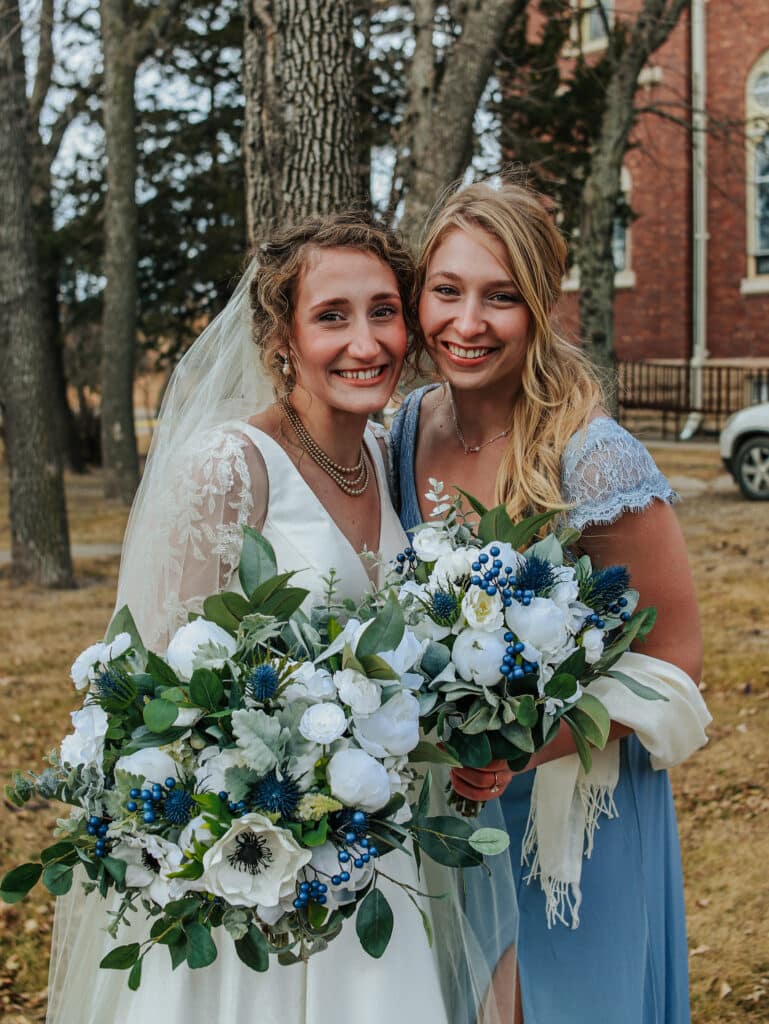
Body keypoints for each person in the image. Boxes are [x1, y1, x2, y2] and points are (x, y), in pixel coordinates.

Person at [47, 213, 509, 1024]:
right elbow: (159, 709)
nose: (364, 342)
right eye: (331, 316)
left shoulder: (381, 454)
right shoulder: (230, 467)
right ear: (280, 338)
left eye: (382, 312)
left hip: (373, 860)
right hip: (253, 887)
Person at [390, 181, 710, 1024]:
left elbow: (675, 662)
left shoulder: (592, 458)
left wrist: (523, 749)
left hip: (573, 805)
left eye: (501, 296)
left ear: (540, 306)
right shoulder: (400, 431)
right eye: (447, 290)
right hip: (442, 808)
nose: (467, 323)